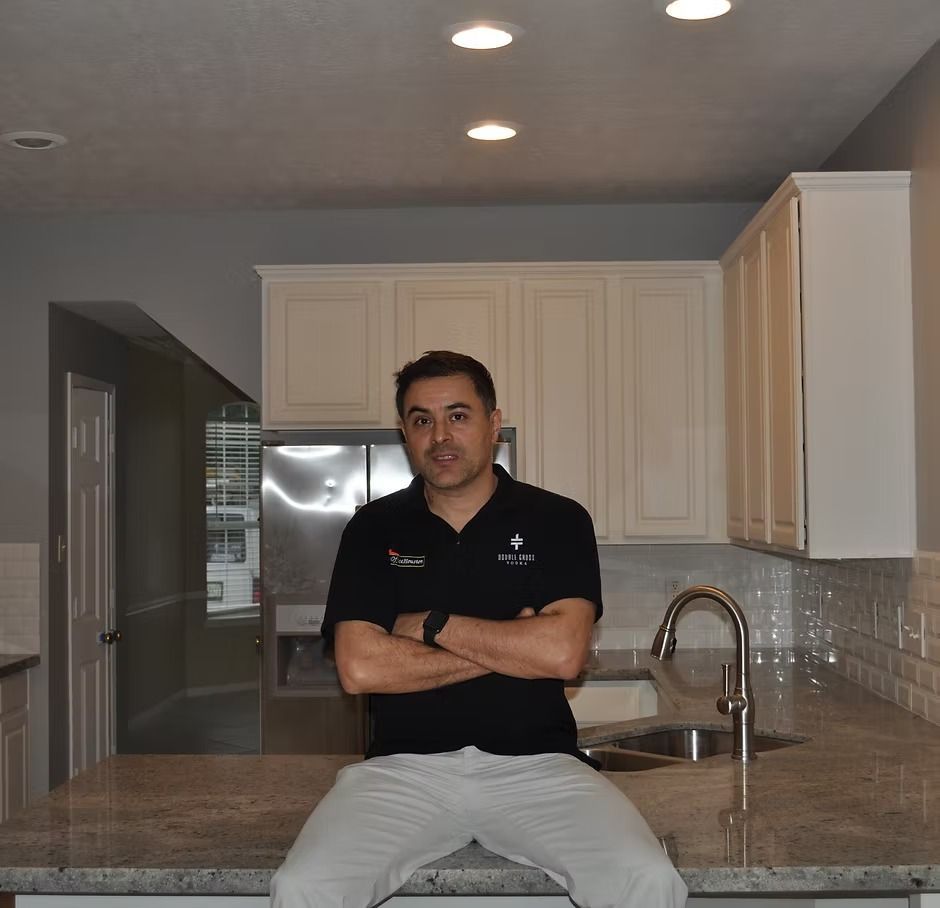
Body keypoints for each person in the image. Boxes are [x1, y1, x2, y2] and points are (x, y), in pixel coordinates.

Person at [270, 351, 687, 908]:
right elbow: (361, 667)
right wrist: (516, 644)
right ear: (405, 433)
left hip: (539, 767)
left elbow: (563, 654)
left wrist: (432, 626)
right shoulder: (374, 528)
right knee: (301, 888)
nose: (440, 435)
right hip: (401, 772)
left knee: (648, 880)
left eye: (458, 416)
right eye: (422, 420)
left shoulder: (557, 520)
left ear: (493, 423)